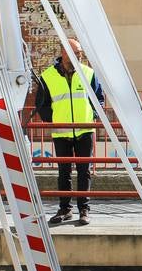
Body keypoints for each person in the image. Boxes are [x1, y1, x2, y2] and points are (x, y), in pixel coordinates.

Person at [36, 37, 104, 226]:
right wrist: (53, 120)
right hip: (61, 131)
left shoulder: (88, 73)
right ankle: (65, 209)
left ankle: (84, 209)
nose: (79, 57)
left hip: (85, 130)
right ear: (64, 53)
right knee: (63, 172)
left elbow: (99, 98)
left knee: (84, 172)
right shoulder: (47, 76)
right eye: (75, 54)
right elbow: (42, 104)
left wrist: (93, 115)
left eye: (80, 54)